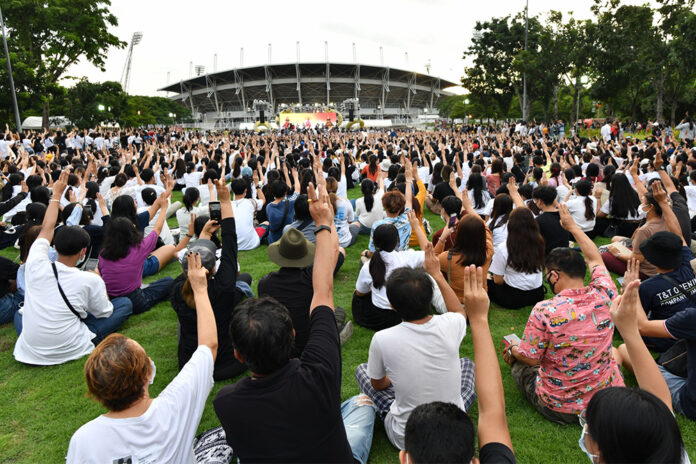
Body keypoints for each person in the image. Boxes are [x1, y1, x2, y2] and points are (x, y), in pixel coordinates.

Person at [214, 183, 376, 464]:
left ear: (239, 355)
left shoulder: (226, 402)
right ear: (291, 333)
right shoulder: (319, 373)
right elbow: (323, 293)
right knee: (363, 404)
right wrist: (324, 223)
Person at [66, 253, 219, 463]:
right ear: (148, 373)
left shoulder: (84, 440)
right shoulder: (175, 406)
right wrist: (200, 289)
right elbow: (208, 346)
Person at [502, 204, 624, 424]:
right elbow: (595, 258)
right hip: (605, 398)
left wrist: (513, 349)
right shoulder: (606, 292)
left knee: (520, 364)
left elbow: (530, 357)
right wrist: (572, 228)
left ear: (555, 276)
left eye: (549, 276)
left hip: (561, 407)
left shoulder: (544, 311)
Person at [355, 241, 475, 451]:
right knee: (466, 364)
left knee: (362, 371)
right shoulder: (451, 324)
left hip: (406, 437)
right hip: (454, 430)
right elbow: (460, 313)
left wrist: (395, 377)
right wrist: (437, 275)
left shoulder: (382, 339)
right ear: (430, 299)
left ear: (392, 306)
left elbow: (377, 384)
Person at [13, 171, 132, 365]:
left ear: (54, 247)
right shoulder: (90, 279)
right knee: (125, 304)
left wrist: (56, 196)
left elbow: (47, 228)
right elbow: (104, 311)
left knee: (21, 312)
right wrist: (99, 281)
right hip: (71, 346)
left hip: (32, 349)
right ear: (83, 252)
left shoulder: (35, 264)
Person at [399, 266, 516, 464]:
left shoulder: (382, 339)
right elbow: (493, 414)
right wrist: (479, 319)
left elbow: (493, 414)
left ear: (404, 459)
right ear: (475, 462)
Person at [586, 277, 689, 462]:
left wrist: (630, 328)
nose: (585, 430)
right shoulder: (672, 455)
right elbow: (662, 400)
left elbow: (664, 403)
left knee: (620, 352)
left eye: (589, 426)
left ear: (600, 449)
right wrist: (628, 329)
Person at [171, 179, 250, 381]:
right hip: (227, 364)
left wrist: (203, 234)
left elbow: (193, 260)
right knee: (245, 288)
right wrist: (225, 202)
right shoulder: (223, 287)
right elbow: (230, 243)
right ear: (214, 268)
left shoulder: (177, 289)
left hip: (190, 367)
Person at [258, 226, 351, 356]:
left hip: (277, 344)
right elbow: (334, 251)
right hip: (309, 343)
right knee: (337, 312)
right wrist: (328, 221)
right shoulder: (314, 280)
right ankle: (334, 338)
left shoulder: (265, 284)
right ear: (305, 253)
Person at [98, 192, 175, 314]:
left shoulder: (103, 253)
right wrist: (164, 208)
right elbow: (157, 229)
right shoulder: (139, 248)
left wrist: (102, 206)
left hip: (112, 298)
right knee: (169, 281)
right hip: (136, 299)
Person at [488, 207, 546, 309]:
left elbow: (497, 281)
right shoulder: (540, 242)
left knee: (486, 280)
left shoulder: (504, 247)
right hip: (537, 294)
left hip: (514, 298)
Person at [366, 158, 414, 255]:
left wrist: (366, 253)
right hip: (402, 259)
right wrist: (409, 180)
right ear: (401, 207)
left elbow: (372, 252)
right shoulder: (407, 219)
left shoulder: (378, 225)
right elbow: (408, 199)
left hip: (384, 262)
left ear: (384, 206)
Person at [531, 185, 569, 254]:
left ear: (540, 201)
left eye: (535, 200)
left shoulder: (538, 221)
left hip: (549, 258)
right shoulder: (564, 215)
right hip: (565, 253)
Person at [230, 178, 264, 250]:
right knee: (266, 224)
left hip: (231, 244)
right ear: (245, 190)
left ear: (232, 190)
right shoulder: (251, 202)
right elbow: (263, 200)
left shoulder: (227, 206)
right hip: (251, 244)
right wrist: (257, 186)